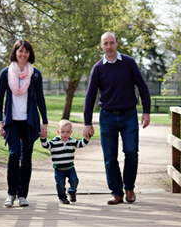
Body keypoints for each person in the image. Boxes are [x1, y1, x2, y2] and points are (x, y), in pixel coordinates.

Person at [83, 32, 152, 205]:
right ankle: (116, 193)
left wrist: (146, 111)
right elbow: (90, 96)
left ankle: (129, 188)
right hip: (106, 117)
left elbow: (142, 87)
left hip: (128, 115)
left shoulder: (129, 63)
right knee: (109, 157)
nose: (109, 46)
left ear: (117, 44)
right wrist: (87, 123)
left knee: (131, 152)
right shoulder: (98, 68)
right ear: (101, 45)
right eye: (105, 43)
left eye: (111, 43)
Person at [0, 40, 49, 207]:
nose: (23, 54)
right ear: (15, 52)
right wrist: (0, 121)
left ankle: (23, 195)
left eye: (26, 52)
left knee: (26, 158)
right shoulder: (5, 73)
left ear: (29, 54)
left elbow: (40, 99)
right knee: (14, 155)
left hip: (29, 122)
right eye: (20, 51)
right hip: (12, 122)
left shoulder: (35, 74)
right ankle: (11, 194)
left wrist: (45, 123)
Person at [40, 120, 90, 204]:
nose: (65, 134)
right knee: (60, 184)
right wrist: (43, 138)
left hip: (70, 167)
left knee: (75, 180)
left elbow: (81, 144)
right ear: (58, 132)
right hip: (59, 169)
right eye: (62, 132)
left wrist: (86, 139)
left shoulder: (72, 142)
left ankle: (72, 191)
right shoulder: (54, 142)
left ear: (71, 132)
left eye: (68, 132)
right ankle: (62, 197)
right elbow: (46, 145)